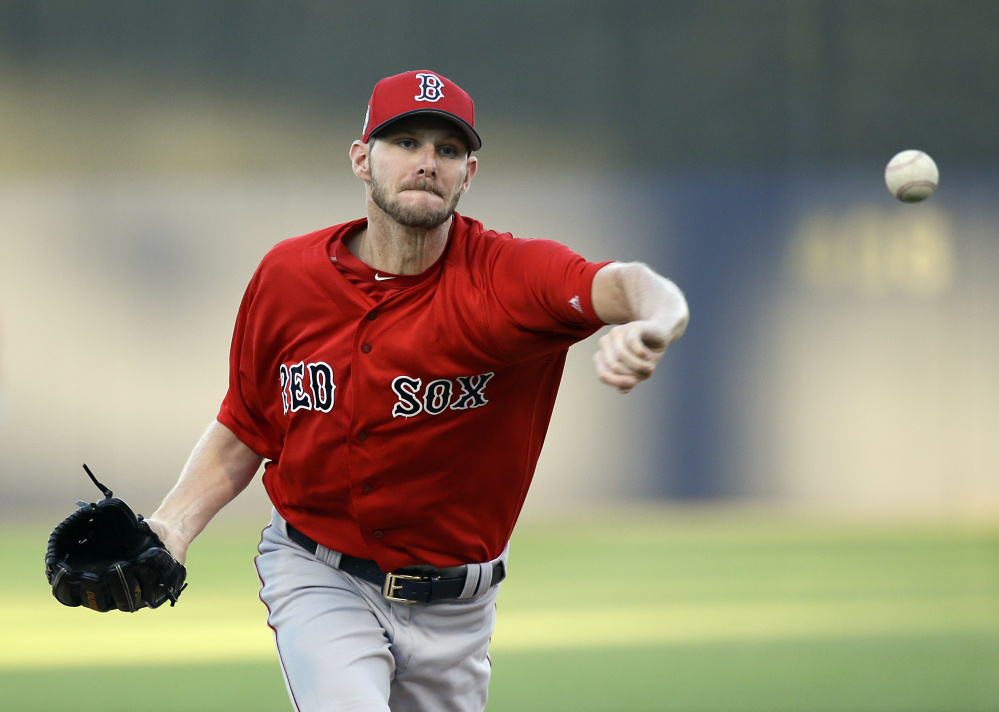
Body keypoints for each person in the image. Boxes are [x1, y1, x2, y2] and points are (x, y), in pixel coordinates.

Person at [145, 69, 688, 712]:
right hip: (321, 577)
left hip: (459, 611)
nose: (427, 162)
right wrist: (170, 527)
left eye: (447, 149)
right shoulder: (288, 277)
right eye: (405, 141)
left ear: (469, 174)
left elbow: (634, 285)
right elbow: (248, 426)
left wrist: (657, 322)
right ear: (361, 157)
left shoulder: (507, 278)